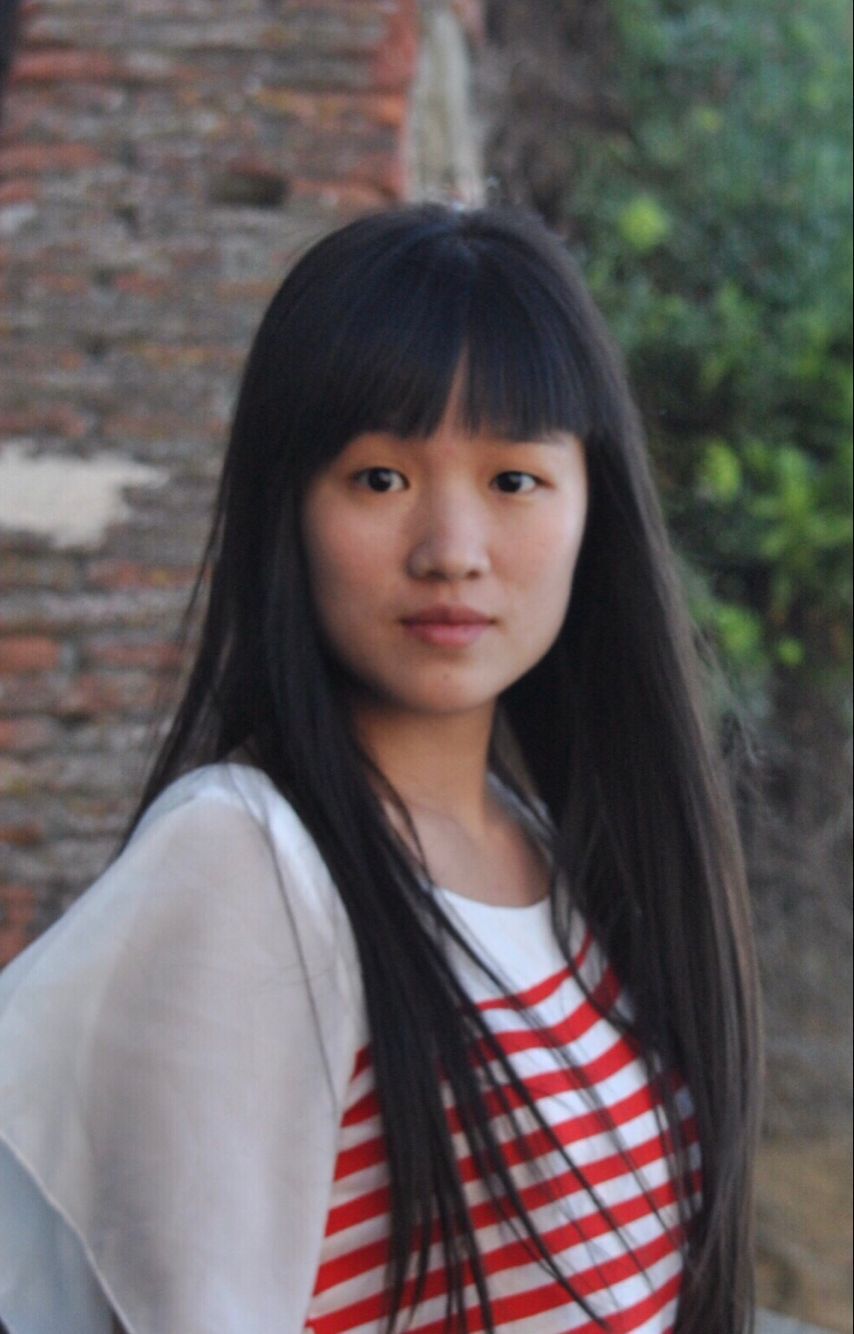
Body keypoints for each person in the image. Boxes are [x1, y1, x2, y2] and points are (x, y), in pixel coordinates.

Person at [0, 204, 760, 1334]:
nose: (451, 549)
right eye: (379, 478)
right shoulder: (248, 864)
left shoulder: (553, 856)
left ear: (591, 509)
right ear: (290, 510)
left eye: (513, 479)